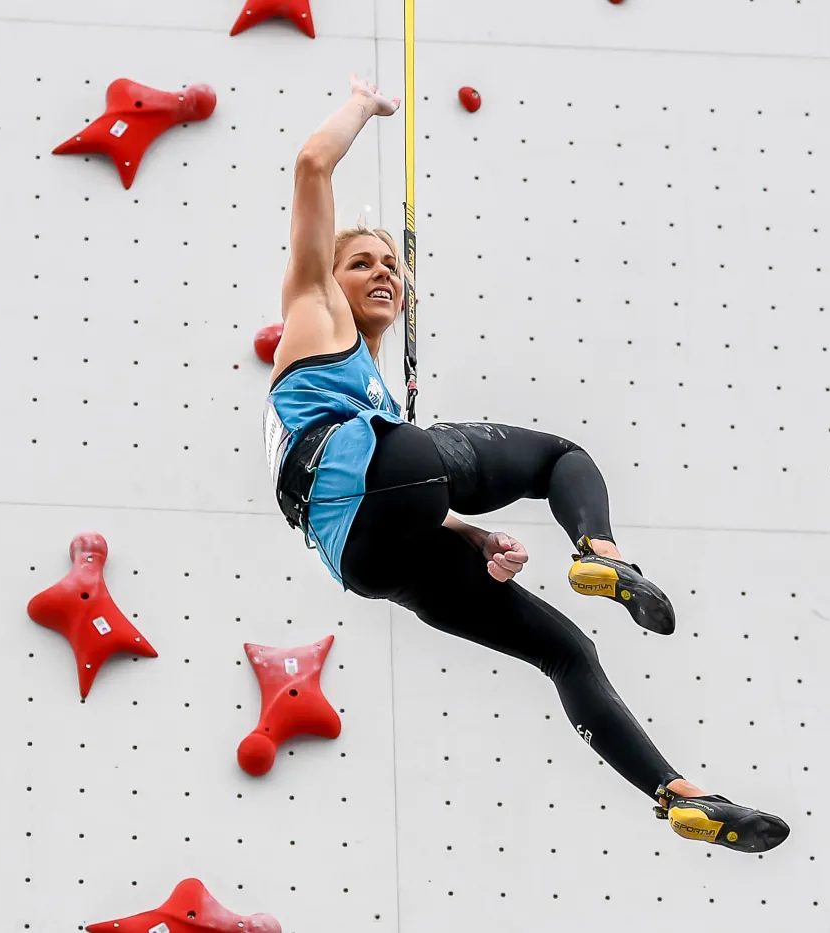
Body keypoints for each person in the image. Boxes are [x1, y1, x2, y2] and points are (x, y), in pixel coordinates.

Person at [261, 74, 789, 854]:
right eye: (362, 261)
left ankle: (680, 795)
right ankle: (600, 553)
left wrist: (469, 536)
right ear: (328, 277)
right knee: (561, 460)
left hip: (364, 553)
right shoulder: (314, 312)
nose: (382, 272)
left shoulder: (359, 384)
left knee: (566, 651)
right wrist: (363, 107)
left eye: (392, 267)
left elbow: (374, 493)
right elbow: (312, 164)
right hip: (377, 474)